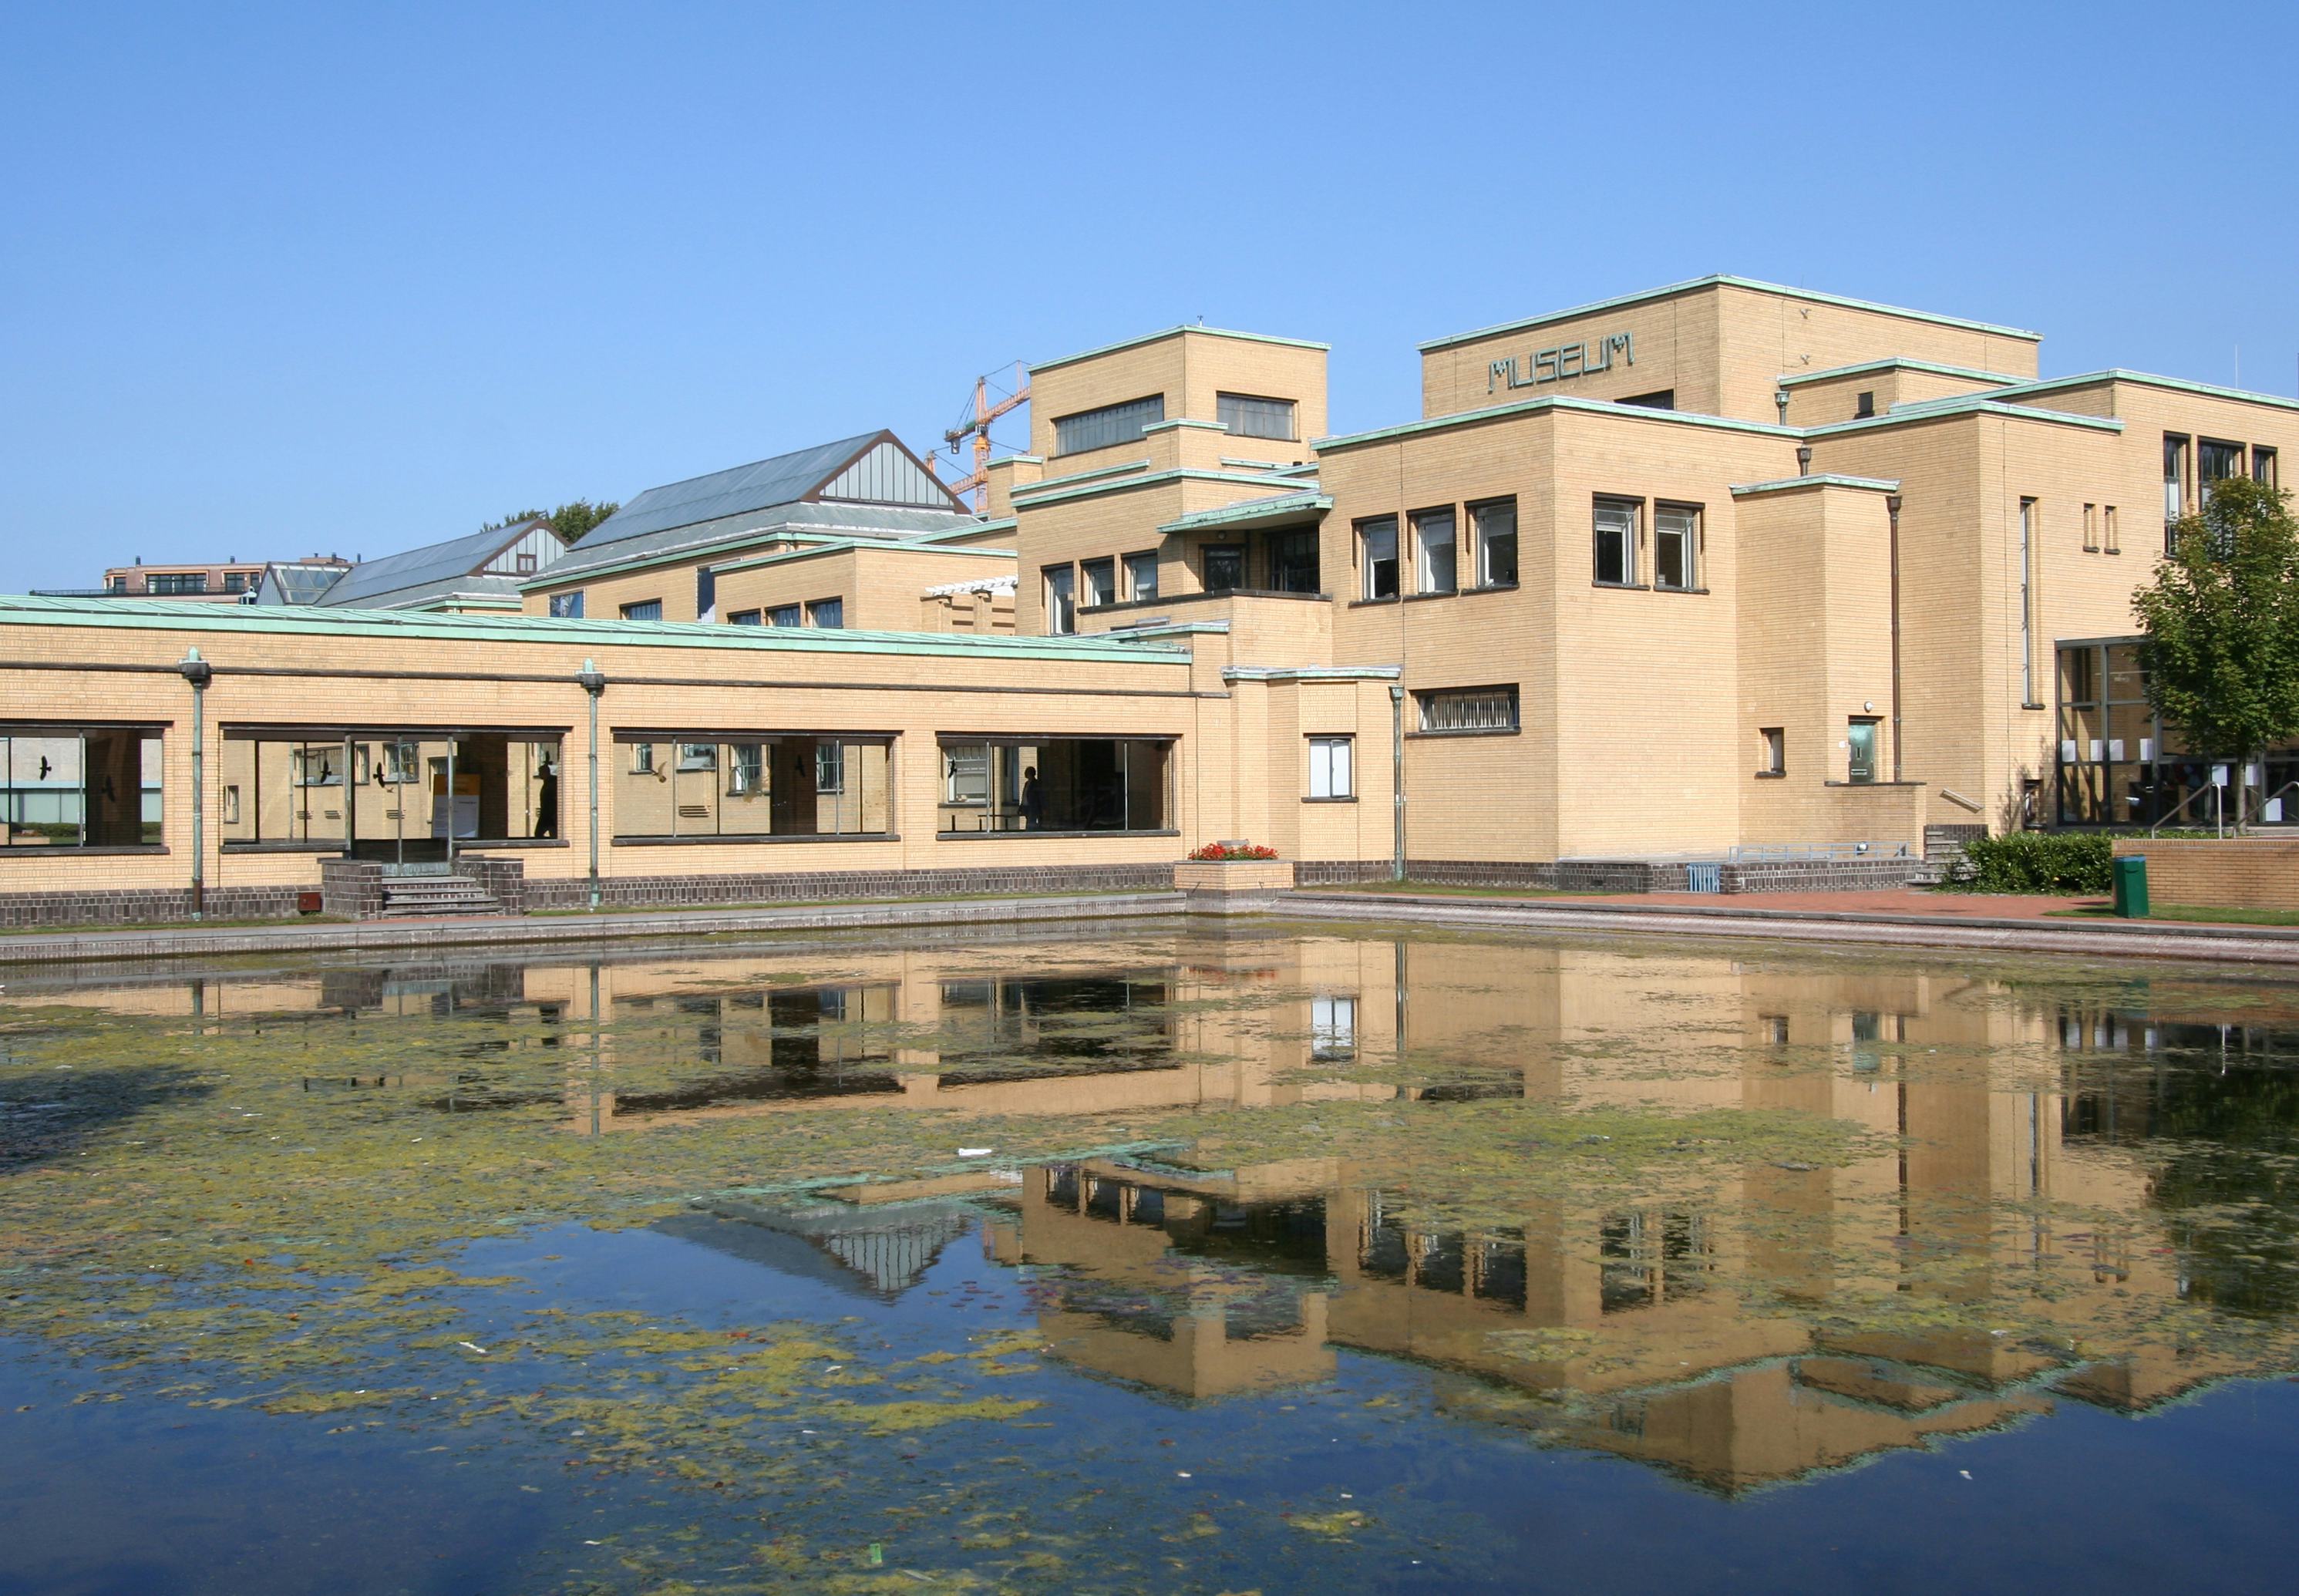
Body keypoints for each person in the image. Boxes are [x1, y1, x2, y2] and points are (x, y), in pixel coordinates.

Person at [534, 760, 560, 839]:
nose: (539, 774)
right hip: (546, 814)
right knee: (539, 834)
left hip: (551, 815)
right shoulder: (547, 782)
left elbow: (554, 798)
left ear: (546, 772)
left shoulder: (553, 783)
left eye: (540, 772)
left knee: (554, 834)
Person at [1020, 765, 1044, 830]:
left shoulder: (1036, 783)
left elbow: (1039, 796)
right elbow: (1024, 795)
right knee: (1030, 821)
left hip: (1033, 806)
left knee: (1031, 822)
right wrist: (1021, 806)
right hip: (1026, 806)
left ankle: (1030, 833)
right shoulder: (1026, 783)